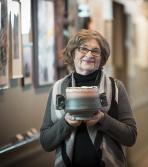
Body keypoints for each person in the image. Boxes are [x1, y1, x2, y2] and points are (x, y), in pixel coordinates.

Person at [40, 29, 137, 167]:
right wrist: (66, 123)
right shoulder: (57, 89)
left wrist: (103, 119)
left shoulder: (116, 88)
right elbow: (46, 142)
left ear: (102, 58)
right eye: (83, 49)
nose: (89, 54)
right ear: (73, 53)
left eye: (95, 51)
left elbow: (130, 137)